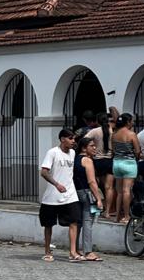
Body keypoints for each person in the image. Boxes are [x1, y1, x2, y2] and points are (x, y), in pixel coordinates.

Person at [38, 128, 81, 262]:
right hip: (52, 196)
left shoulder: (73, 153)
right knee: (48, 224)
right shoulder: (52, 153)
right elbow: (44, 172)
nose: (73, 141)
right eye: (70, 138)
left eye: (74, 138)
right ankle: (47, 250)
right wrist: (56, 184)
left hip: (70, 194)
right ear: (63, 139)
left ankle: (73, 252)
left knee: (74, 221)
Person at [73, 135, 103, 261]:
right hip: (86, 193)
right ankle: (88, 251)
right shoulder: (87, 160)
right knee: (87, 222)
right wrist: (99, 198)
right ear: (84, 148)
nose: (95, 148)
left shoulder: (75, 159)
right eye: (91, 146)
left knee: (78, 222)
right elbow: (91, 181)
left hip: (76, 192)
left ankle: (74, 250)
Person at [84, 111, 115, 220]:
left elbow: (85, 139)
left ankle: (102, 206)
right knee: (109, 187)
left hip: (98, 161)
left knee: (100, 186)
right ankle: (108, 211)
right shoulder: (112, 131)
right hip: (110, 161)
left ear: (97, 121)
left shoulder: (95, 131)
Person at [110, 114, 141, 223]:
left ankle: (117, 216)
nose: (132, 123)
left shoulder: (114, 135)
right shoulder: (131, 134)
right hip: (129, 163)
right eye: (131, 121)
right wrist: (136, 158)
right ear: (128, 122)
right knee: (127, 190)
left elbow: (113, 150)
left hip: (117, 163)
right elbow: (137, 151)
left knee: (119, 192)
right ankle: (127, 216)